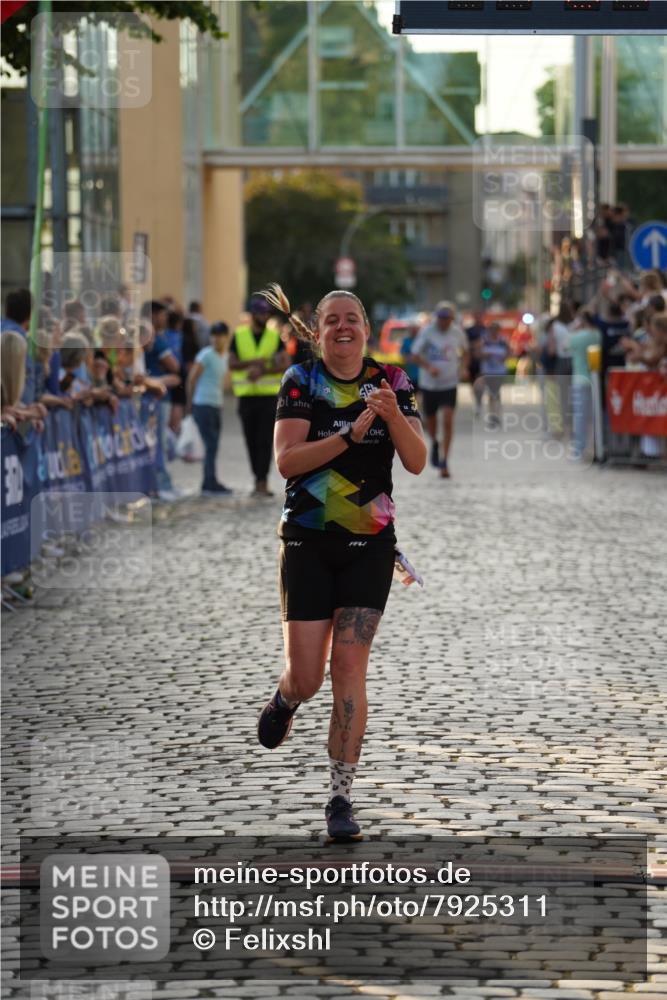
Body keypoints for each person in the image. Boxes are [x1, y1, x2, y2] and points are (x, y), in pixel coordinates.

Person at [254, 283, 426, 841]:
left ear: (367, 329)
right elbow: (286, 461)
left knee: (348, 668)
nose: (344, 327)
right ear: (320, 330)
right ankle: (286, 697)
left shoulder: (392, 381)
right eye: (333, 320)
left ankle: (340, 796)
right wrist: (350, 435)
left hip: (368, 546)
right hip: (305, 541)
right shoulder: (300, 381)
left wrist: (391, 416)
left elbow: (418, 460)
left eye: (353, 317)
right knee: (307, 677)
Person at [229, 295, 289, 496]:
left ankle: (262, 481)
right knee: (250, 440)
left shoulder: (274, 336)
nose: (264, 316)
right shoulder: (239, 335)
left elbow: (285, 363)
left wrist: (263, 371)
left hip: (268, 397)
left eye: (266, 313)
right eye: (260, 313)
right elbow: (232, 363)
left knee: (265, 440)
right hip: (246, 397)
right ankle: (257, 478)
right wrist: (254, 364)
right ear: (253, 314)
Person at [409, 301, 468, 479]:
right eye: (442, 319)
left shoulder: (457, 332)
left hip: (449, 383)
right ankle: (435, 442)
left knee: (448, 419)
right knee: (432, 421)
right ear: (437, 318)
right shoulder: (427, 332)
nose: (445, 322)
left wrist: (464, 367)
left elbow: (465, 352)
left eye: (448, 319)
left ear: (452, 319)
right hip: (430, 385)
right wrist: (428, 367)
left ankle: (444, 461)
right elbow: (415, 355)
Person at [186, 322, 233, 497]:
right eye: (213, 335)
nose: (216, 338)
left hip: (215, 405)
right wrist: (189, 404)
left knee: (213, 446)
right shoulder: (205, 354)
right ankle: (208, 482)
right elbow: (192, 379)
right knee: (209, 445)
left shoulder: (224, 357)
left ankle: (210, 479)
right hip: (203, 404)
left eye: (219, 335)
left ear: (225, 337)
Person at [568, 310, 601, 460]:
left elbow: (564, 346)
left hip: (580, 380)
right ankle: (595, 447)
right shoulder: (597, 335)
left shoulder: (578, 336)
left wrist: (574, 329)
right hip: (595, 379)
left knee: (580, 417)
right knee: (595, 416)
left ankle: (579, 449)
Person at [479, 322, 510, 428]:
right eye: (492, 329)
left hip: (499, 371)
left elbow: (509, 352)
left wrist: (504, 357)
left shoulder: (503, 340)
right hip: (488, 370)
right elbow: (479, 353)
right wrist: (487, 355)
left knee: (496, 393)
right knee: (492, 393)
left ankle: (496, 415)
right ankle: (493, 415)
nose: (494, 332)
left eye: (496, 329)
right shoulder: (485, 340)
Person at [465, 310, 486, 416]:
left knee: (480, 383)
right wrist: (475, 345)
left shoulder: (485, 330)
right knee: (472, 383)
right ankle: (476, 401)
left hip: (482, 362)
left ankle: (479, 402)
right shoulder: (469, 330)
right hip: (471, 361)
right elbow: (464, 345)